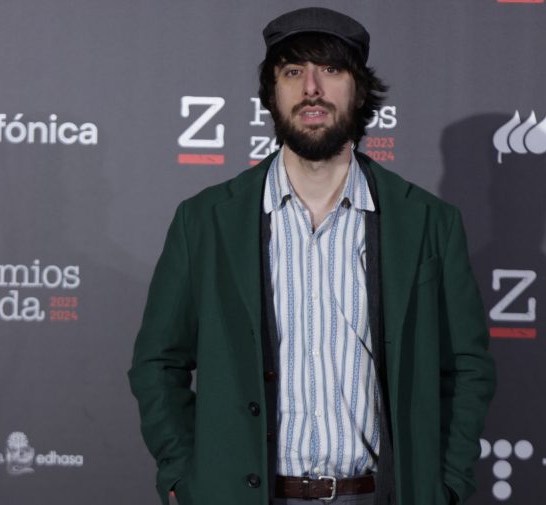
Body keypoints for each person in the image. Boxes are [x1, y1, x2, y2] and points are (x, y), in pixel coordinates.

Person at [129, 7, 495, 505]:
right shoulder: (205, 221)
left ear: (359, 91)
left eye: (331, 69)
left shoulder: (430, 223)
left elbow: (467, 367)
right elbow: (158, 363)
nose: (311, 89)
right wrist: (183, 475)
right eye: (292, 71)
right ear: (272, 92)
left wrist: (446, 483)